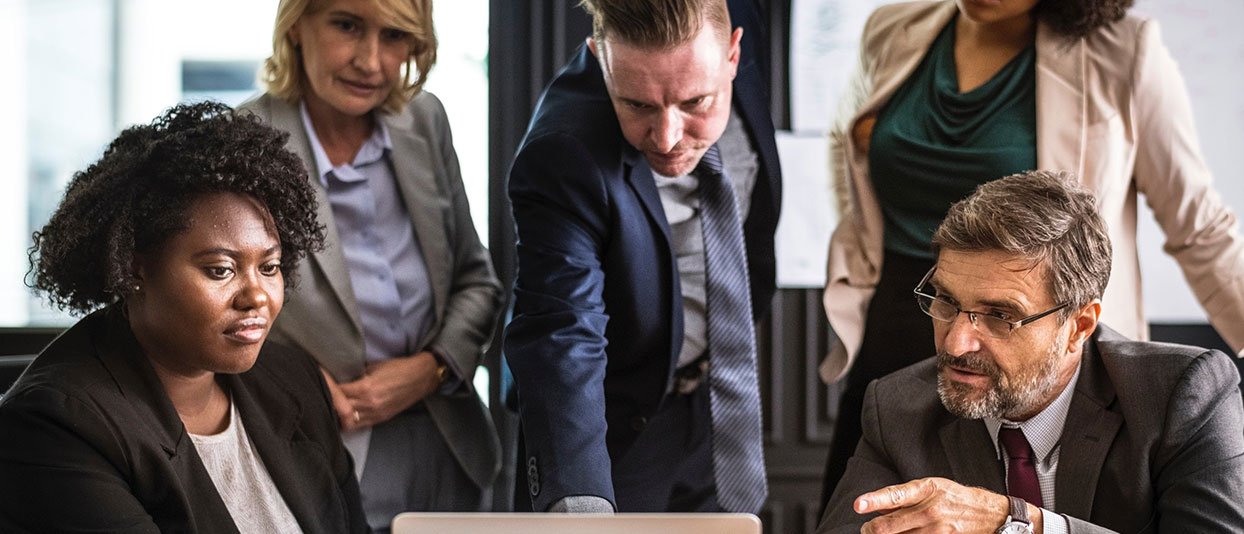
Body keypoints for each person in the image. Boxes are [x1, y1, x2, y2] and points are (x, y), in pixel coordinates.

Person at [819, 0, 1244, 508]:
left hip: (1034, 332)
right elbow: (848, 150)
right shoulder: (892, 28)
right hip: (905, 314)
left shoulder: (1126, 51)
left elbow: (1200, 227)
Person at [0, 102, 368, 533]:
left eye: (269, 267)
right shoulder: (56, 426)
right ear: (135, 269)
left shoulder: (294, 380)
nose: (256, 296)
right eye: (221, 270)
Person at [818, 171, 1244, 533]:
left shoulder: (1179, 397)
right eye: (946, 301)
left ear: (1079, 326)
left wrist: (1019, 523)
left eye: (1000, 316)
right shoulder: (898, 408)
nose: (955, 344)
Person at [505, 0, 782, 514]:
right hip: (613, 425)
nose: (668, 138)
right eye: (637, 105)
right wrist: (579, 505)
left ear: (734, 54)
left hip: (720, 400)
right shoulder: (563, 152)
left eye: (696, 102)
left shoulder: (737, 18)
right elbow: (562, 331)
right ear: (600, 59)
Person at [241, 0, 503, 528]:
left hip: (450, 449)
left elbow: (477, 281)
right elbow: (212, 310)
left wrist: (431, 369)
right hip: (315, 450)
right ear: (297, 25)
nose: (371, 61)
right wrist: (300, 383)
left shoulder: (425, 119)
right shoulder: (244, 140)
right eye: (347, 26)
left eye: (395, 36)